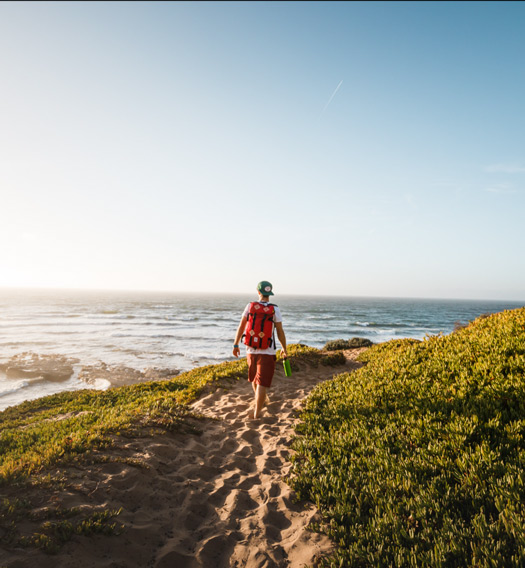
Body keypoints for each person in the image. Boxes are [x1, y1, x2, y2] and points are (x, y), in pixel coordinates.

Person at [233, 281, 287, 419]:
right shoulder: (275, 309)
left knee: (254, 379)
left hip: (250, 349)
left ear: (258, 292)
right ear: (270, 294)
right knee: (262, 382)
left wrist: (236, 344)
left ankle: (260, 401)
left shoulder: (250, 306)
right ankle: (257, 413)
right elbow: (280, 331)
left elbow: (241, 326)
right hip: (267, 351)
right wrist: (284, 348)